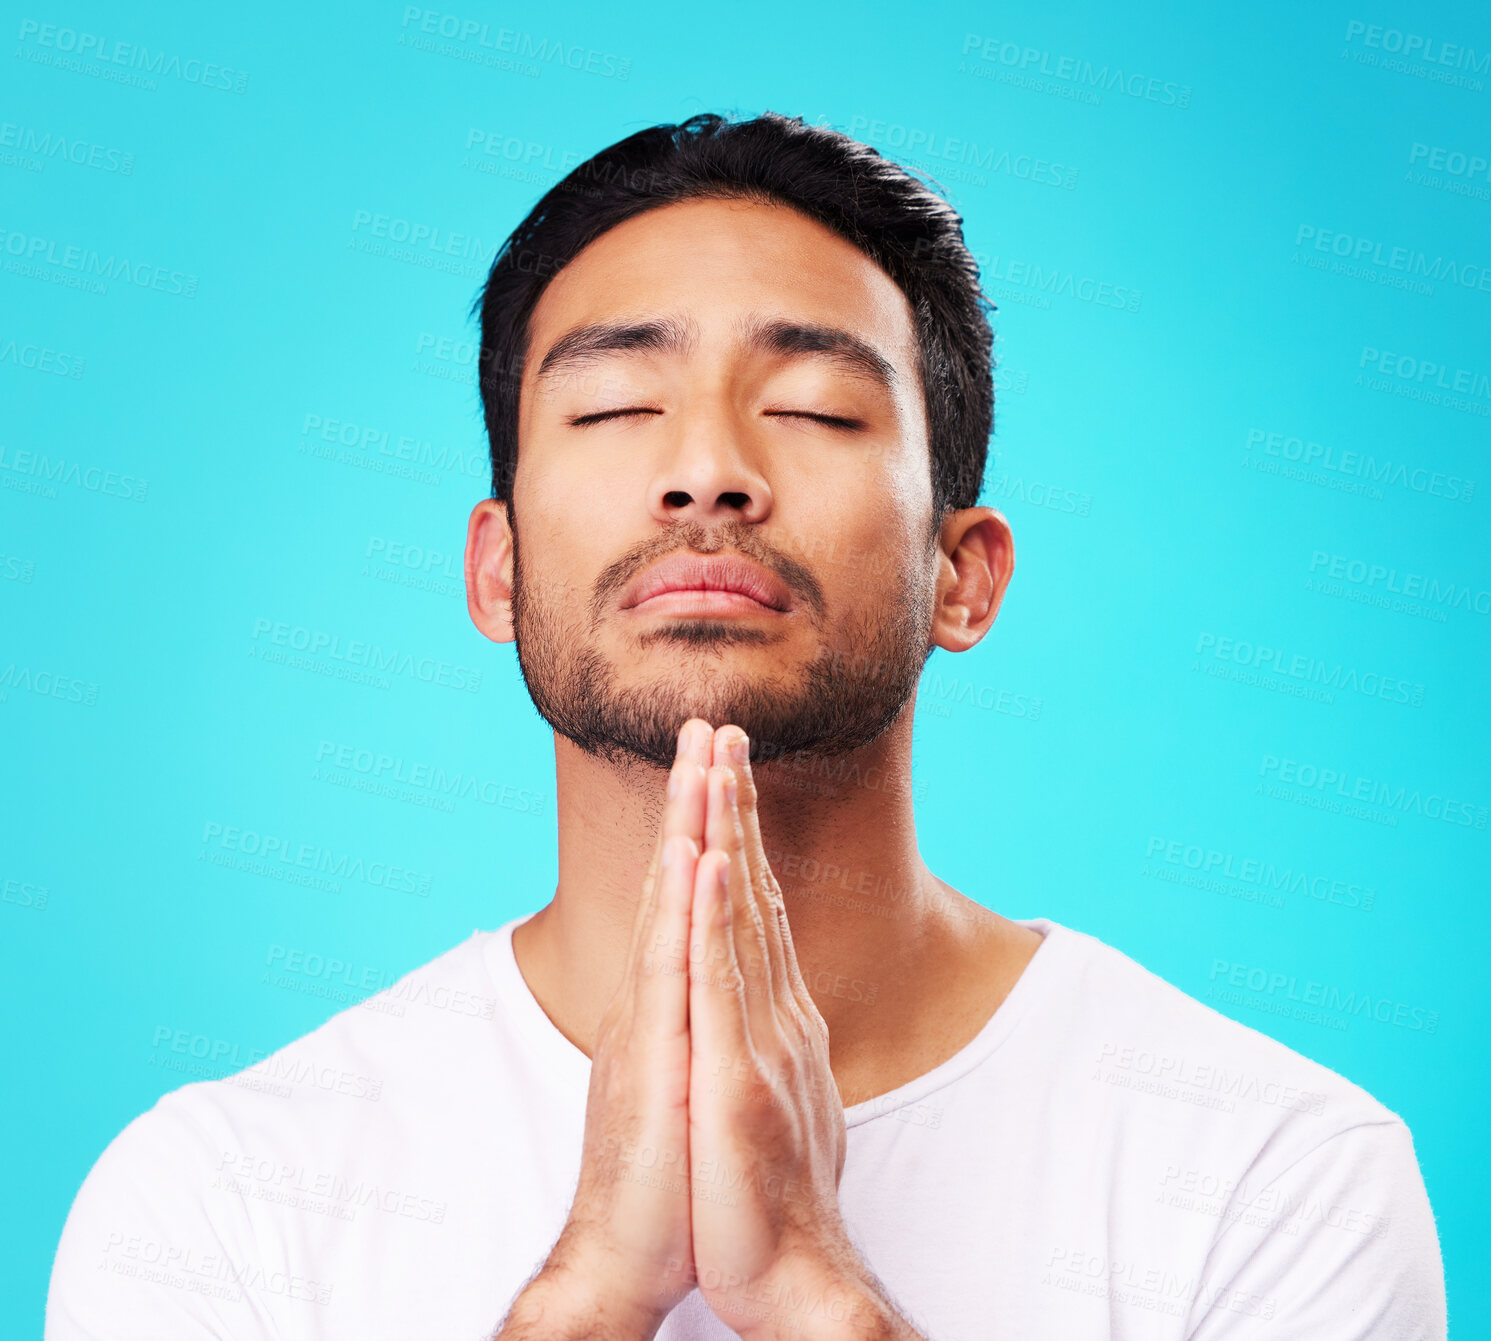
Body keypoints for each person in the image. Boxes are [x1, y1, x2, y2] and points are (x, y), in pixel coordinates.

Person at [46, 112, 1447, 1340]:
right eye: (614, 405)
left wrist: (821, 1297)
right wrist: (590, 1293)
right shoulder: (214, 1201)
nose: (707, 471)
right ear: (498, 567)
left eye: (814, 407)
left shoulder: (1276, 1175)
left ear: (964, 574)